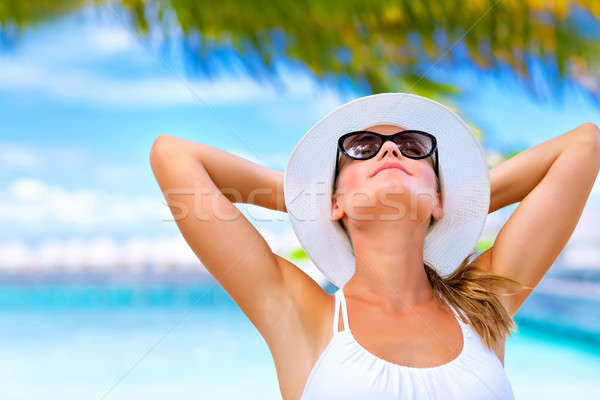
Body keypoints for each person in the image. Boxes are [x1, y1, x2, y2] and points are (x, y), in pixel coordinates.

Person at [149, 93, 600, 399]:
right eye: (363, 147)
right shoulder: (303, 314)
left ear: (441, 198)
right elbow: (173, 156)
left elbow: (583, 146)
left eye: (412, 147)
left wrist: (458, 203)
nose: (391, 152)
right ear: (336, 201)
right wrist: (313, 202)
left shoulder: (483, 305)